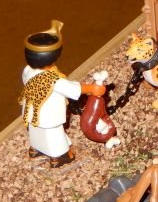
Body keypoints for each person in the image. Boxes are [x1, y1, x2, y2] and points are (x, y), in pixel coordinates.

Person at [19, 21, 105, 167]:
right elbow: (72, 89)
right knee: (54, 135)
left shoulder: (28, 70)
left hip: (32, 110)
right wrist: (92, 88)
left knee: (35, 131)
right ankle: (58, 156)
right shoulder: (53, 79)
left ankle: (35, 149)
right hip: (49, 115)